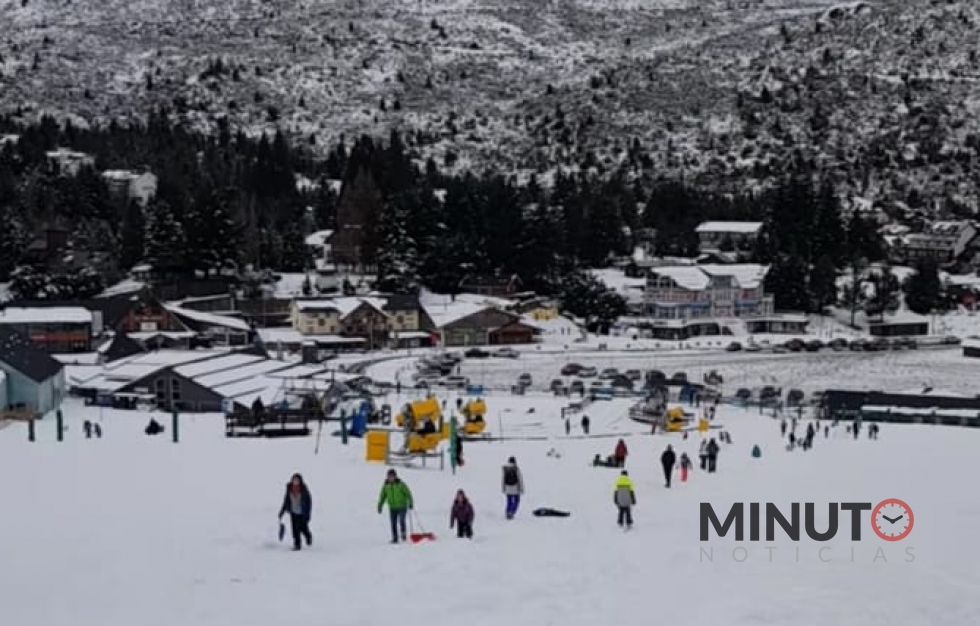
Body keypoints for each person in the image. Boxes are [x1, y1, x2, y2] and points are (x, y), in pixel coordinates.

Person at [277, 473, 313, 551]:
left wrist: (307, 514)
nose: (295, 482)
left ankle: (308, 536)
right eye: (294, 480)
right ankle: (297, 545)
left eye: (297, 480)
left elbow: (308, 503)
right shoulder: (289, 489)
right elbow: (286, 501)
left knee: (303, 528)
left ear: (300, 481)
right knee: (295, 529)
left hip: (302, 513)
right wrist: (282, 512)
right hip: (293, 513)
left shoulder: (304, 490)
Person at [378, 469, 414, 543]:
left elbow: (408, 493)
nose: (390, 478)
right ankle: (395, 538)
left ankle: (403, 534)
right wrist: (380, 505)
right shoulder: (386, 485)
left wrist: (411, 502)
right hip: (392, 507)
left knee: (401, 520)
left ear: (395, 476)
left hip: (402, 506)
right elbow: (382, 496)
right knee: (393, 523)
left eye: (392, 476)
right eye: (389, 476)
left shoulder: (401, 484)